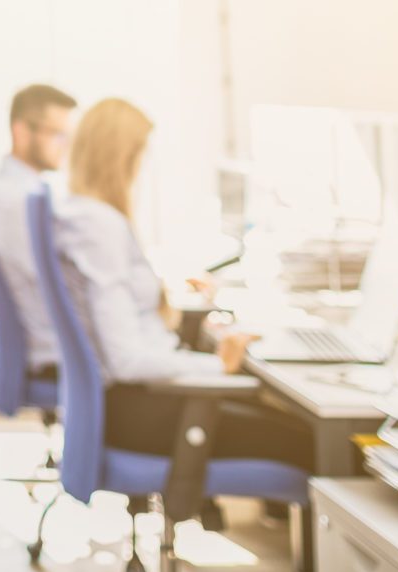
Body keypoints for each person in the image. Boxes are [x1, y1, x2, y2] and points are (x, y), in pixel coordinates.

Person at [55, 98, 311, 469]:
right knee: (309, 440)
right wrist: (218, 365)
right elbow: (127, 360)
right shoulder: (101, 228)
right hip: (139, 411)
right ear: (121, 160)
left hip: (128, 403)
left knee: (279, 418)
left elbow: (120, 315)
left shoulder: (83, 215)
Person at [0, 84, 76, 372]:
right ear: (22, 131)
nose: (66, 145)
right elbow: (50, 283)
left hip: (56, 342)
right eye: (58, 134)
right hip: (55, 350)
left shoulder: (28, 191)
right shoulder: (17, 199)